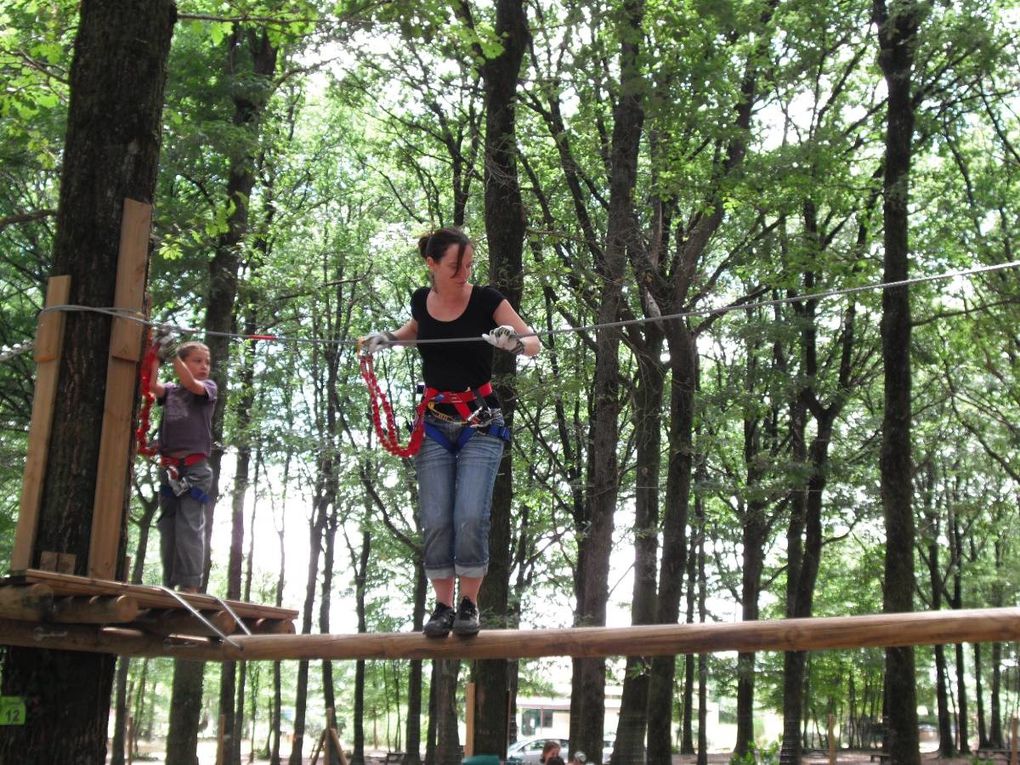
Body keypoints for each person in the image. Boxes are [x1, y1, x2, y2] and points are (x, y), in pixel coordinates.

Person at [361, 226, 541, 637]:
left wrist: (513, 343)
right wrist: (386, 340)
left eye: (468, 264)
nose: (464, 272)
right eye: (455, 265)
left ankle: (468, 603)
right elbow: (417, 331)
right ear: (432, 264)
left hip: (480, 422)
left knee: (469, 516)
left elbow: (535, 343)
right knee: (438, 518)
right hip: (435, 424)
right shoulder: (421, 301)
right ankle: (442, 606)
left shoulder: (488, 300)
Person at [148, 336, 217, 593]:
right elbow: (152, 385)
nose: (204, 366)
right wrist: (155, 355)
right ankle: (171, 582)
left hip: (195, 471)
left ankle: (190, 585)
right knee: (168, 525)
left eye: (206, 362)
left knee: (189, 525)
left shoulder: (207, 389)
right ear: (184, 363)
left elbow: (191, 383)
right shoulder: (171, 392)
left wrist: (172, 354)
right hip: (170, 469)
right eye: (197, 361)